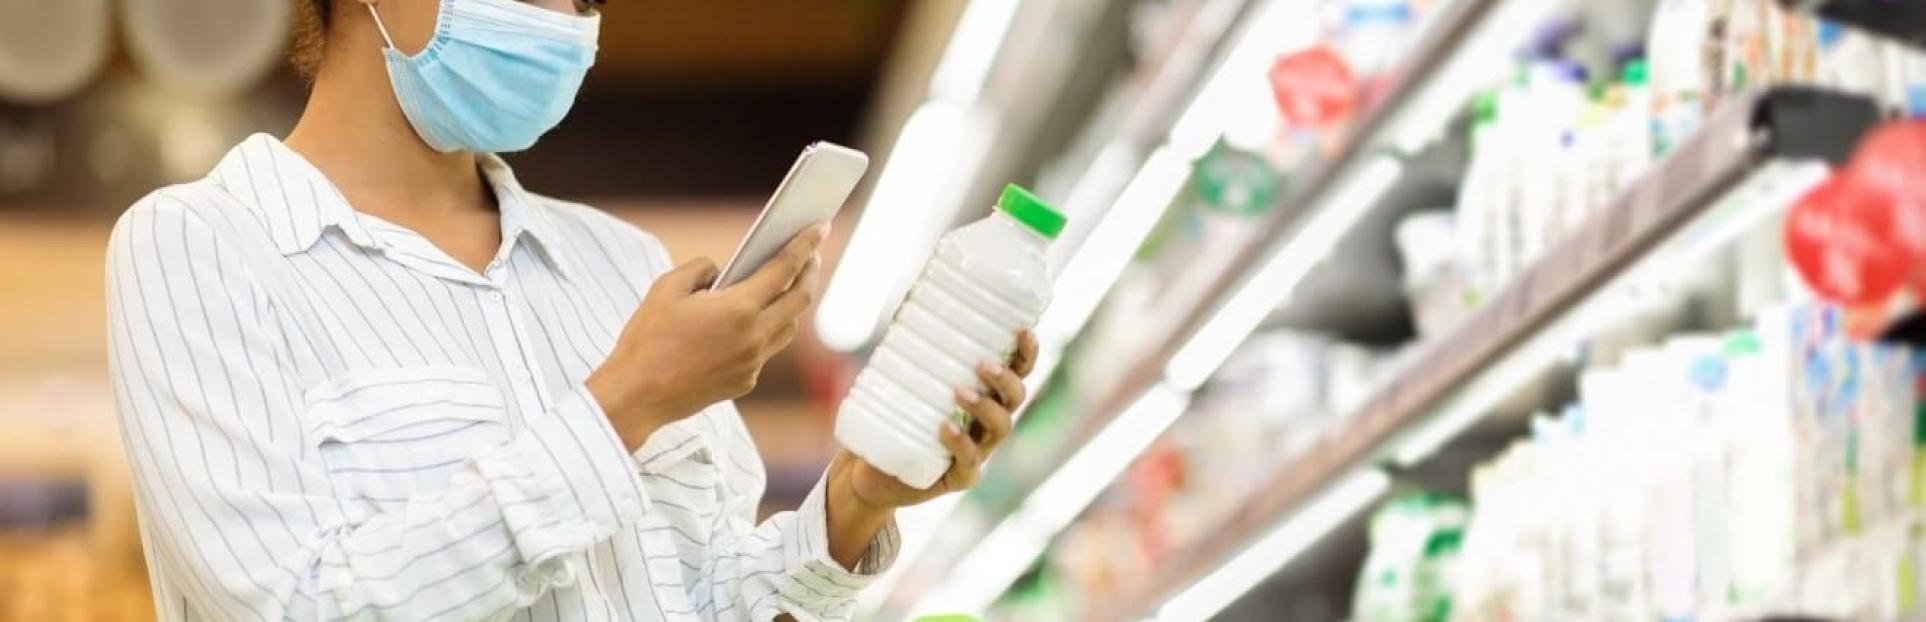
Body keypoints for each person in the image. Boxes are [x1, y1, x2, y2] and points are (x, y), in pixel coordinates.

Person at [103, 0, 1038, 619]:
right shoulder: (201, 247)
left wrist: (854, 502)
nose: (568, 25)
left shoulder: (620, 262)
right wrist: (624, 404)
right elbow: (292, 607)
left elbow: (707, 598)